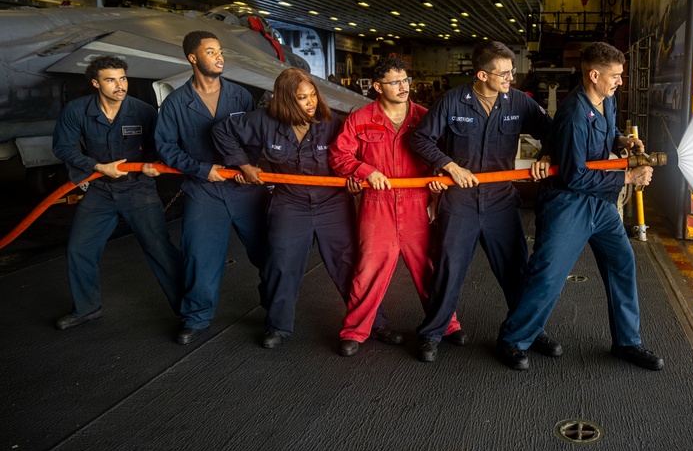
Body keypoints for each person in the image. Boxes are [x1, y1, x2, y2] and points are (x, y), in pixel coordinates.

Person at [496, 42, 663, 371]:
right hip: (569, 203)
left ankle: (627, 342)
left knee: (622, 264)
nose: (620, 82)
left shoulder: (607, 100)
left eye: (621, 75)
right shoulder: (574, 114)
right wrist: (628, 176)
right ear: (594, 75)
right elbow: (574, 176)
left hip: (599, 203)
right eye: (615, 76)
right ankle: (512, 340)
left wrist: (622, 140)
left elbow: (608, 131)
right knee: (548, 275)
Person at [212, 67, 399, 349]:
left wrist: (354, 180)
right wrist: (245, 164)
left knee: (349, 266)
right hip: (290, 203)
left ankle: (375, 321)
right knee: (281, 265)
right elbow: (222, 131)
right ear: (287, 100)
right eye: (302, 97)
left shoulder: (330, 122)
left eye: (312, 94)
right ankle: (278, 326)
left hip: (332, 203)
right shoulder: (264, 121)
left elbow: (351, 157)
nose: (311, 102)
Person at [410, 40, 556, 362]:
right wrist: (449, 165)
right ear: (481, 75)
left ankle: (529, 330)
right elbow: (419, 138)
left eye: (511, 72)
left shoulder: (518, 102)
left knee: (515, 270)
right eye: (503, 73)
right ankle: (432, 333)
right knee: (449, 269)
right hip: (459, 201)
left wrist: (546, 155)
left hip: (501, 200)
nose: (510, 79)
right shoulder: (452, 102)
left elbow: (554, 131)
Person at [329, 56, 463, 356]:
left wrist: (438, 179)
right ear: (377, 87)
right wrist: (365, 171)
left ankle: (447, 324)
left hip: (416, 202)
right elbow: (339, 156)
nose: (403, 87)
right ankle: (355, 330)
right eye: (394, 82)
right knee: (368, 270)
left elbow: (445, 156)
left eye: (405, 80)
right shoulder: (360, 118)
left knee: (430, 267)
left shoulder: (426, 117)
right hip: (377, 204)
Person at [51, 55, 183, 329]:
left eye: (122, 78)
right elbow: (63, 148)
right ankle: (86, 308)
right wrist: (97, 166)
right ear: (95, 83)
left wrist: (156, 165)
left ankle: (188, 312)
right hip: (100, 190)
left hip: (139, 190)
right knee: (79, 249)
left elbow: (163, 147)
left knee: (160, 249)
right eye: (110, 80)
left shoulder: (144, 112)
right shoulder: (76, 111)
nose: (119, 85)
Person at [154, 31, 268, 345]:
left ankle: (275, 310)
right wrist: (203, 169)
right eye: (210, 51)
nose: (219, 56)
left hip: (244, 188)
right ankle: (196, 318)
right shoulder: (176, 103)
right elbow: (166, 148)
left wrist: (247, 166)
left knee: (268, 250)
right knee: (199, 257)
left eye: (220, 51)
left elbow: (255, 138)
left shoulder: (241, 96)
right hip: (203, 191)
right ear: (193, 58)